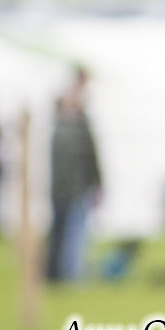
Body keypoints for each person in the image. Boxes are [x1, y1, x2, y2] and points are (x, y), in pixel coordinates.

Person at [46, 66, 103, 282]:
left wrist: (97, 183)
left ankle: (67, 273)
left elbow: (92, 156)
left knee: (73, 231)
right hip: (67, 185)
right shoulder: (66, 118)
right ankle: (66, 274)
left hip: (78, 184)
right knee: (69, 232)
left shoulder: (81, 121)